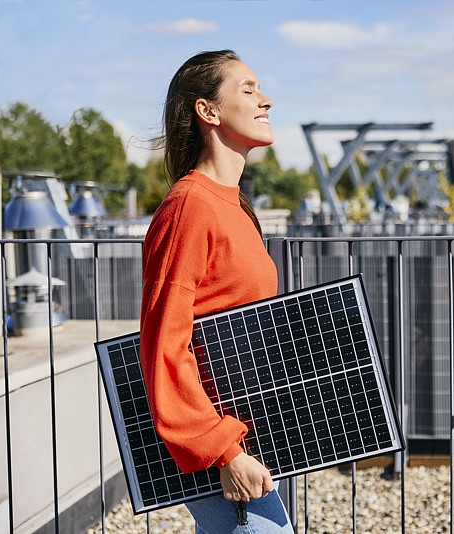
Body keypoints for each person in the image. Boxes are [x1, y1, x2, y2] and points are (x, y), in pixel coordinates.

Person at [139, 50, 293, 534]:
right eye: (248, 89)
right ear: (208, 111)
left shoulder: (233, 206)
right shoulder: (189, 206)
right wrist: (223, 452)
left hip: (247, 437)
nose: (266, 100)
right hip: (219, 450)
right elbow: (165, 343)